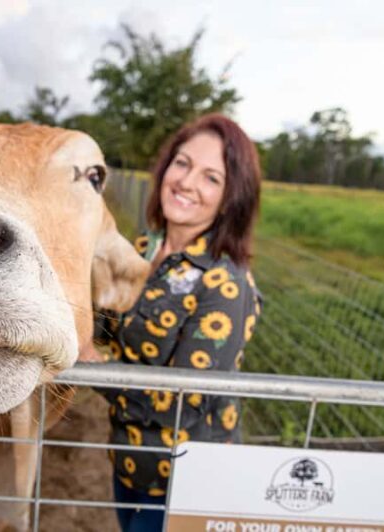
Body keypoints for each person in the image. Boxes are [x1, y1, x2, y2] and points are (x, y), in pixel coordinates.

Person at [92, 113, 263, 531]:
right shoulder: (143, 248)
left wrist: (89, 364)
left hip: (184, 482)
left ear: (231, 199)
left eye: (211, 178)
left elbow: (182, 402)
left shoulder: (225, 284)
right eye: (182, 163)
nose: (186, 182)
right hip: (129, 461)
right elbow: (107, 327)